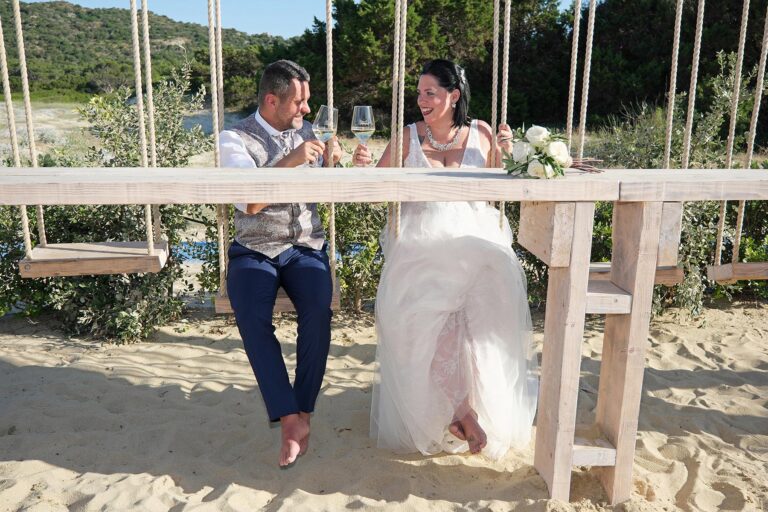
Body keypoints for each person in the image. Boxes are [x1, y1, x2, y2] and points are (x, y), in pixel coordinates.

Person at [353, 59, 538, 459]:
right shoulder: (407, 137)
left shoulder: (483, 133)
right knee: (432, 308)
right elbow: (374, 189)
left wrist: (508, 152)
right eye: (419, 93)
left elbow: (508, 188)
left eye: (430, 93)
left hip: (475, 240)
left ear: (453, 96)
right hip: (421, 245)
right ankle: (461, 411)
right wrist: (362, 166)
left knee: (481, 306)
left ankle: (466, 410)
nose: (421, 101)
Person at [219, 59, 342, 467]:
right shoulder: (234, 139)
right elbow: (249, 201)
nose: (307, 110)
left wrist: (335, 163)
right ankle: (288, 415)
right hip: (255, 248)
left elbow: (326, 184)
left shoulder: (310, 132)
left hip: (305, 246)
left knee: (318, 311)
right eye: (300, 102)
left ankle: (300, 411)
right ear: (272, 100)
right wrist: (292, 160)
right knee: (251, 315)